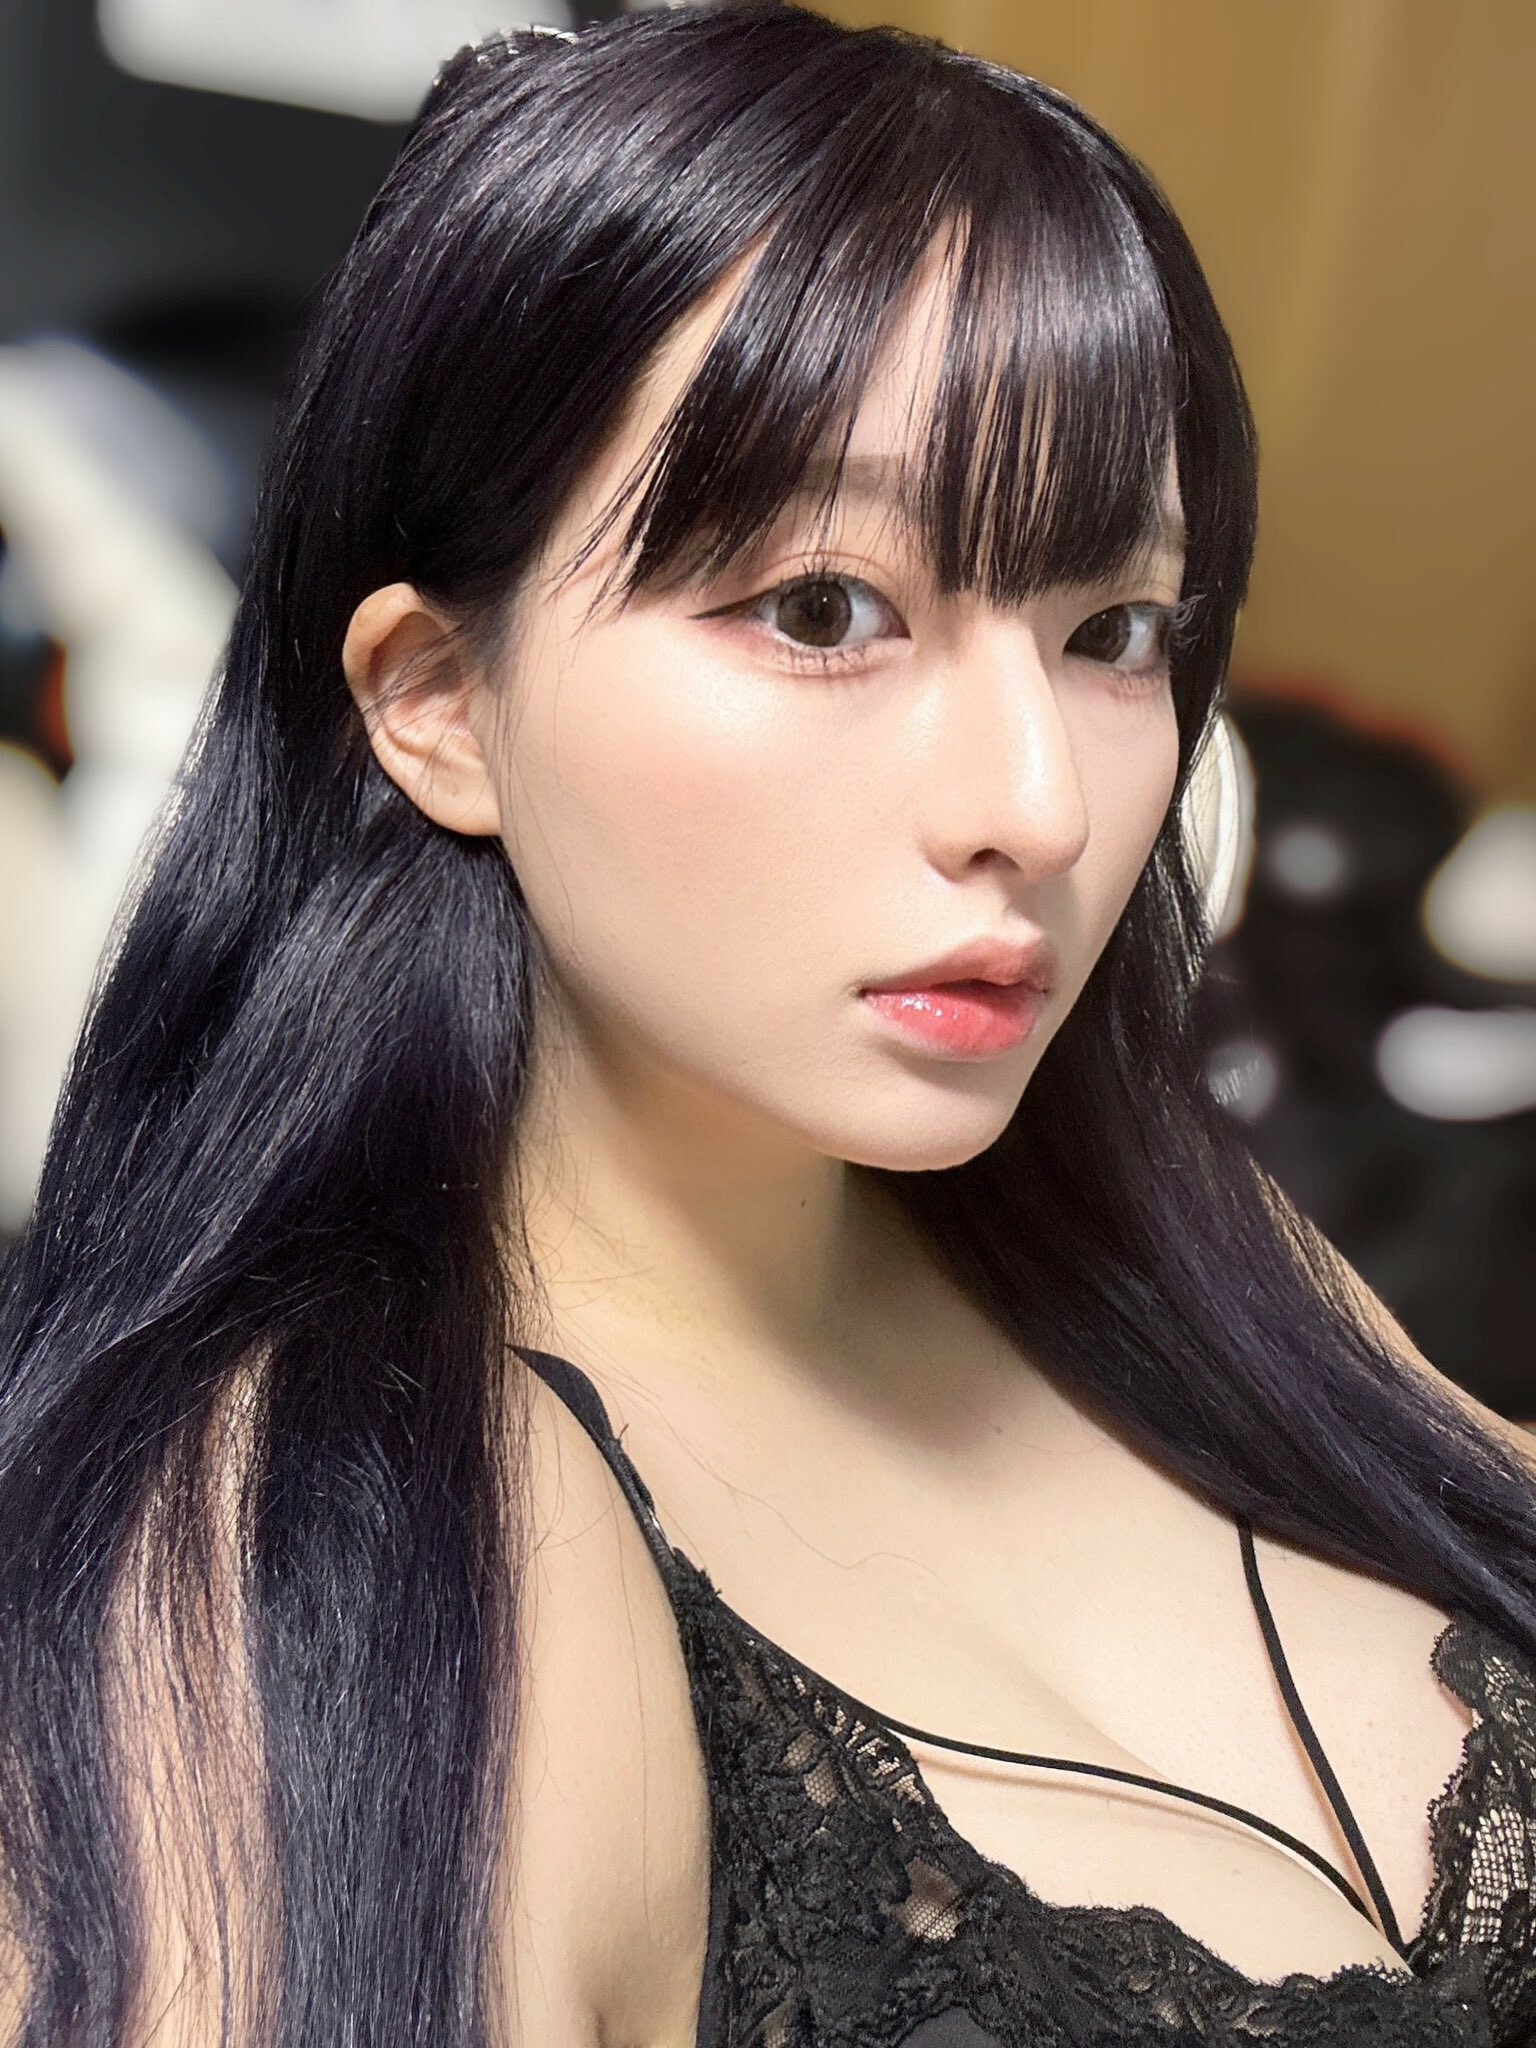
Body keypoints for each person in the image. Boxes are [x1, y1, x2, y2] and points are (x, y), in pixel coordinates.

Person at [1, 5, 1533, 2043]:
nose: (1038, 808)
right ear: (436, 698)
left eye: (1115, 632)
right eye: (822, 610)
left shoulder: (1200, 1267)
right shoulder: (359, 1570)